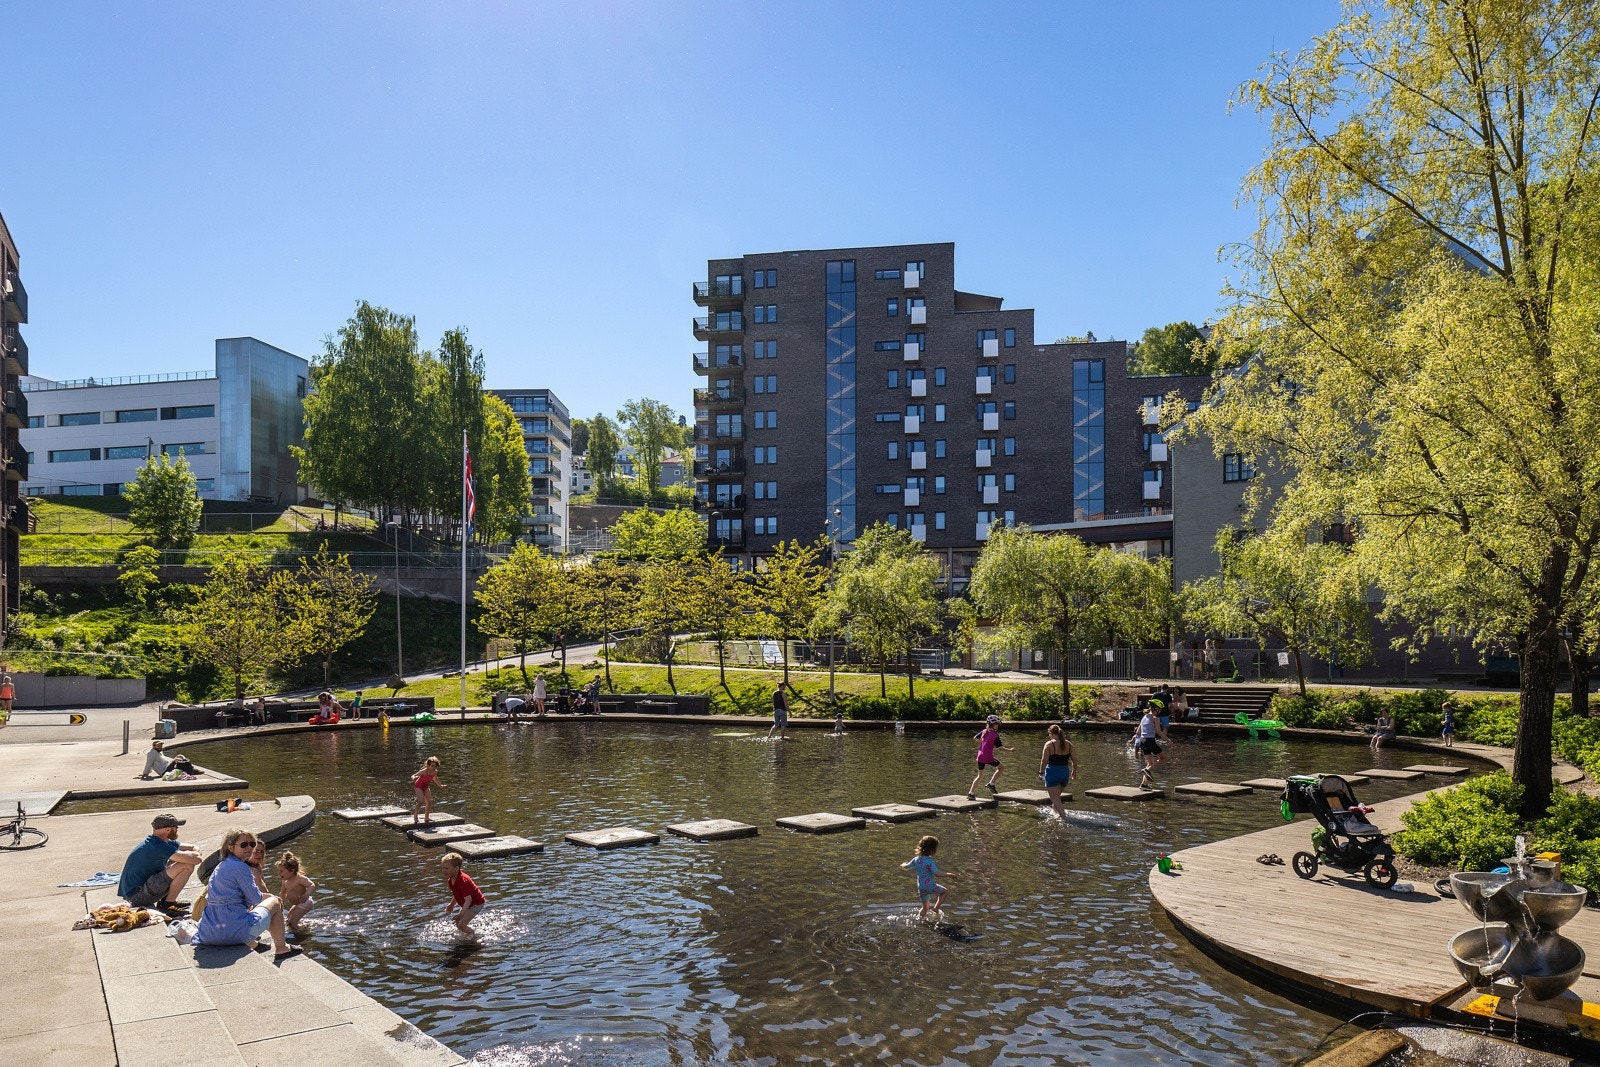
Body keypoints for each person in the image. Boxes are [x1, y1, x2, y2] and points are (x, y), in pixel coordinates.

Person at [192, 828, 302, 961]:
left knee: (243, 909)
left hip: (209, 933)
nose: (249, 848)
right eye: (244, 845)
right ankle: (282, 948)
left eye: (252, 844)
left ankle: (254, 944)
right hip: (232, 933)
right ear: (230, 847)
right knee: (276, 902)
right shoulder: (241, 867)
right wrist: (273, 898)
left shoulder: (222, 866)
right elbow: (255, 898)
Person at [118, 813, 204, 918]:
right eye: (176, 827)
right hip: (136, 896)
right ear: (167, 830)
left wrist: (194, 854)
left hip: (140, 890)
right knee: (186, 866)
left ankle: (167, 900)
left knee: (182, 861)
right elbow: (196, 859)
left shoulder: (160, 841)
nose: (177, 829)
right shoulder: (157, 846)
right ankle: (167, 905)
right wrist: (194, 855)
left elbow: (193, 847)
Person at [902, 834, 951, 920]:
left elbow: (907, 866)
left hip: (921, 888)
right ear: (932, 850)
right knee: (945, 892)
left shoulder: (916, 859)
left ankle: (920, 919)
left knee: (925, 907)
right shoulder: (930, 862)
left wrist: (903, 864)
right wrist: (949, 874)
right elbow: (937, 874)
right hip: (930, 886)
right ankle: (936, 909)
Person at [1038, 723, 1077, 818]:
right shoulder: (1068, 744)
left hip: (1053, 772)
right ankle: (1054, 813)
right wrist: (1074, 770)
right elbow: (1074, 759)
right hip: (1064, 773)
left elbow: (1044, 760)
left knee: (1054, 798)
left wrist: (1041, 772)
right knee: (1057, 797)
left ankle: (1064, 818)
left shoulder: (1049, 744)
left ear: (1051, 733)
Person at [442, 851, 485, 935]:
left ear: (456, 868)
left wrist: (461, 914)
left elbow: (468, 900)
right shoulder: (451, 880)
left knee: (462, 924)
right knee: (458, 922)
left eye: (446, 868)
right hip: (468, 903)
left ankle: (474, 937)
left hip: (476, 903)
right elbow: (456, 894)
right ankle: (465, 934)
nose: (443, 870)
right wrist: (451, 905)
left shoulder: (463, 881)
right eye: (442, 868)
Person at [276, 851, 315, 936]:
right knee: (288, 921)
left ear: (292, 870)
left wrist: (306, 894)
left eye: (281, 871)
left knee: (292, 923)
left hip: (305, 902)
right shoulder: (285, 881)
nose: (279, 874)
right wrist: (281, 903)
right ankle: (302, 927)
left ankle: (304, 934)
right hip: (297, 904)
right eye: (279, 871)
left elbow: (311, 885)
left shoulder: (300, 879)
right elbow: (283, 892)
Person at [967, 714, 1004, 798]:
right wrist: (1010, 750)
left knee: (980, 776)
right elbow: (1000, 748)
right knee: (1001, 767)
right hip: (988, 758)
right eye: (996, 724)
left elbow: (975, 738)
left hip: (980, 757)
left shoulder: (984, 731)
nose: (997, 726)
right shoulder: (995, 735)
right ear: (992, 724)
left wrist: (983, 743)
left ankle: (970, 793)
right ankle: (991, 784)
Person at [1136, 704, 1169, 789]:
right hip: (1150, 741)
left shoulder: (1144, 717)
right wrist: (1169, 740)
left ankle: (1144, 785)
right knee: (1163, 758)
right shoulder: (1155, 718)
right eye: (1160, 710)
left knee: (1150, 763)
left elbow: (1138, 732)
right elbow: (1159, 732)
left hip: (1142, 741)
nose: (1160, 711)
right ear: (1156, 709)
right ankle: (1147, 770)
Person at [411, 756, 442, 825]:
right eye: (432, 766)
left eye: (435, 766)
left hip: (425, 786)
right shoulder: (424, 771)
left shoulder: (435, 772)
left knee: (429, 801)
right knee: (420, 801)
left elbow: (435, 779)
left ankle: (426, 817)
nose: (434, 768)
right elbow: (413, 775)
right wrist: (414, 778)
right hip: (418, 786)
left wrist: (440, 785)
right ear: (428, 765)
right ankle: (415, 815)